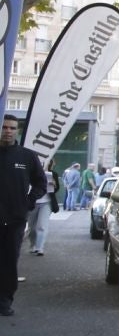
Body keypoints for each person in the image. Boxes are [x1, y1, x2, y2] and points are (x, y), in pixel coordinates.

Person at [0, 114, 50, 316]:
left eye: (12, 128)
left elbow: (41, 183)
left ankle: (4, 301)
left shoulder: (27, 156)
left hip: (15, 219)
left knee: (9, 261)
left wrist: (28, 202)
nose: (8, 131)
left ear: (17, 131)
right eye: (4, 127)